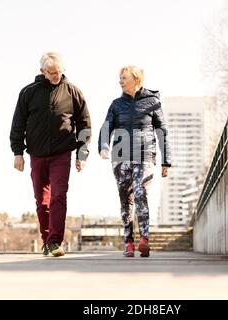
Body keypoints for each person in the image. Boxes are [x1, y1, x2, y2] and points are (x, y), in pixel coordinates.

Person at [10, 52, 91, 257]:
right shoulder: (28, 92)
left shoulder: (73, 92)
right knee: (41, 201)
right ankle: (46, 240)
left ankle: (55, 241)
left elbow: (85, 124)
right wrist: (17, 152)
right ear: (42, 71)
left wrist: (82, 153)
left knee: (58, 196)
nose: (56, 76)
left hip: (61, 153)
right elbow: (18, 124)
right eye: (52, 73)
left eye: (59, 72)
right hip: (36, 155)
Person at [98, 65, 171, 258]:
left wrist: (166, 161)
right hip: (120, 157)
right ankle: (129, 241)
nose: (120, 80)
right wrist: (103, 146)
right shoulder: (116, 104)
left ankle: (144, 239)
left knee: (140, 193)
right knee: (126, 199)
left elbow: (162, 131)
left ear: (136, 79)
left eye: (124, 77)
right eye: (120, 77)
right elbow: (106, 127)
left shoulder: (152, 102)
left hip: (145, 155)